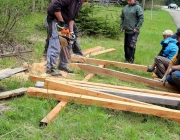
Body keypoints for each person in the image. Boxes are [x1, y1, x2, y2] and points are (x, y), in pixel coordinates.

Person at [46, 0, 87, 76]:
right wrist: (61, 20)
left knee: (66, 44)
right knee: (55, 43)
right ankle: (50, 69)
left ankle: (62, 66)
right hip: (55, 20)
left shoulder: (79, 3)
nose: (86, 1)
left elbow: (71, 19)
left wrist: (71, 32)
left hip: (64, 23)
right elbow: (56, 5)